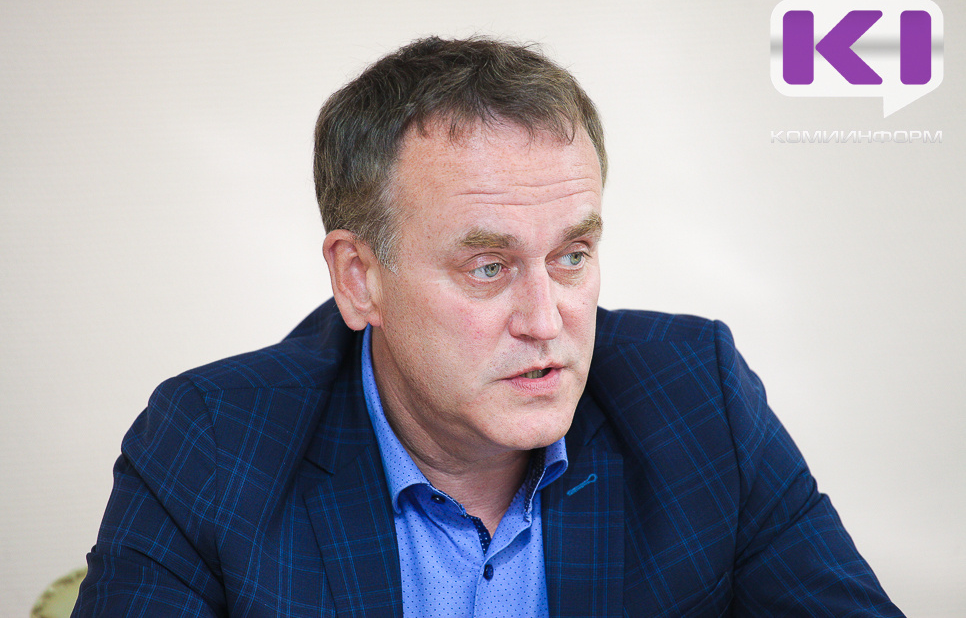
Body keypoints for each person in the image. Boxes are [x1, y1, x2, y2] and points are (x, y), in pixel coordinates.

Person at [73, 36, 902, 617]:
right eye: (488, 267)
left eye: (572, 255)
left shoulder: (696, 398)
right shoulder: (214, 441)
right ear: (359, 279)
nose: (546, 321)